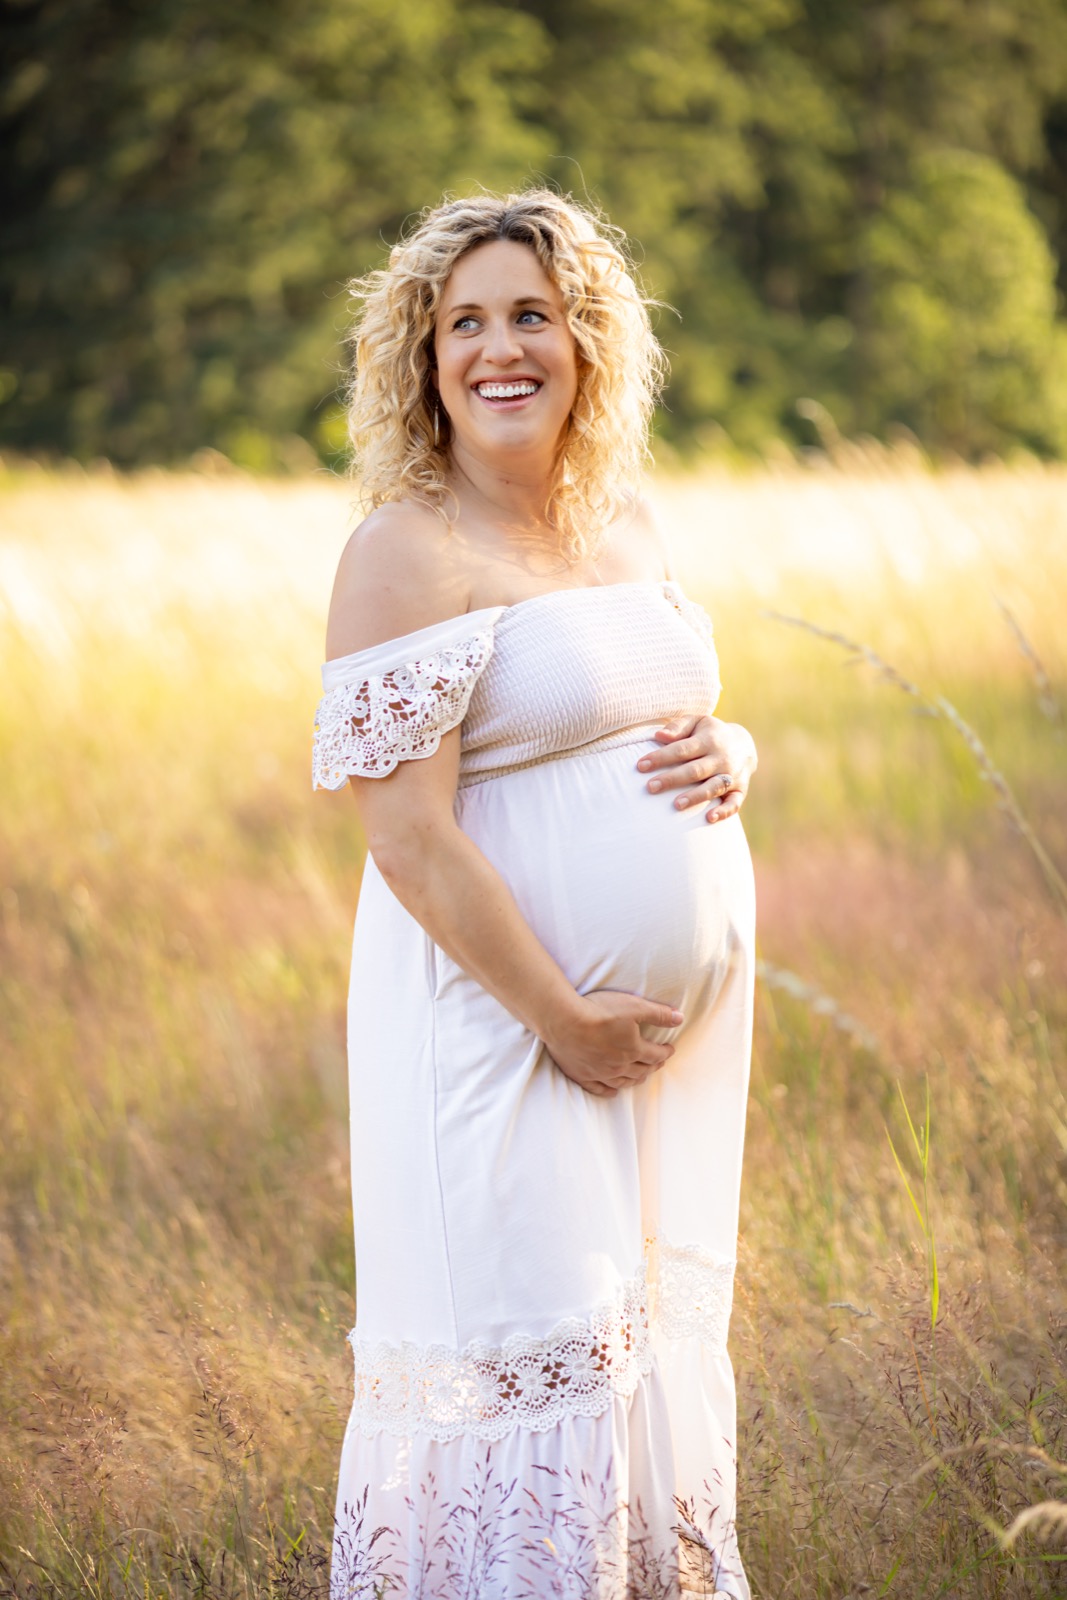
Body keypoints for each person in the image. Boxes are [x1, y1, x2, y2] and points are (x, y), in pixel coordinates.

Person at [312, 189, 757, 1599]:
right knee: (525, 1361)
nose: (499, 349)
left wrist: (734, 748)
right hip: (498, 1035)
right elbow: (411, 841)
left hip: (649, 1059)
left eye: (531, 316)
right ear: (423, 358)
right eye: (464, 324)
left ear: (587, 343)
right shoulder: (408, 550)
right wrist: (564, 1016)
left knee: (631, 1350)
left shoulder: (624, 521)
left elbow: (661, 711)